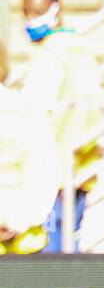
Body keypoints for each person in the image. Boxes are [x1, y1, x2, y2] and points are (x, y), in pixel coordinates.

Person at [19, 0, 102, 254]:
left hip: (51, 169)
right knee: (69, 244)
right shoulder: (80, 47)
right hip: (80, 165)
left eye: (35, 11)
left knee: (49, 252)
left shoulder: (50, 55)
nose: (30, 20)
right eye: (26, 12)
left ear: (55, 9)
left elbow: (34, 114)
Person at [0, 40, 59, 257]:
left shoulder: (23, 111)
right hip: (24, 239)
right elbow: (45, 171)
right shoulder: (25, 110)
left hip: (23, 244)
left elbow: (42, 169)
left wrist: (16, 221)